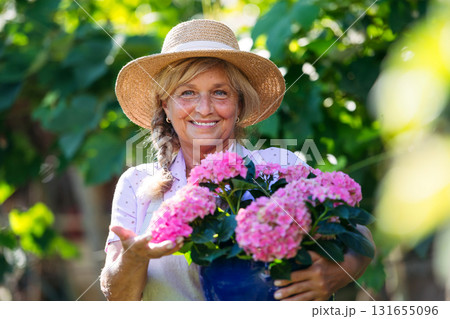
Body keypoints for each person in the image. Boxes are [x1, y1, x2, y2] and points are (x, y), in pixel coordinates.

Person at [100, 19, 374, 301]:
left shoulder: (278, 166)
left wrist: (338, 270)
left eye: (220, 92)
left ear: (239, 104)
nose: (204, 109)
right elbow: (117, 294)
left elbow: (360, 233)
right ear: (165, 106)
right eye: (187, 93)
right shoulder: (136, 183)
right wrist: (134, 258)